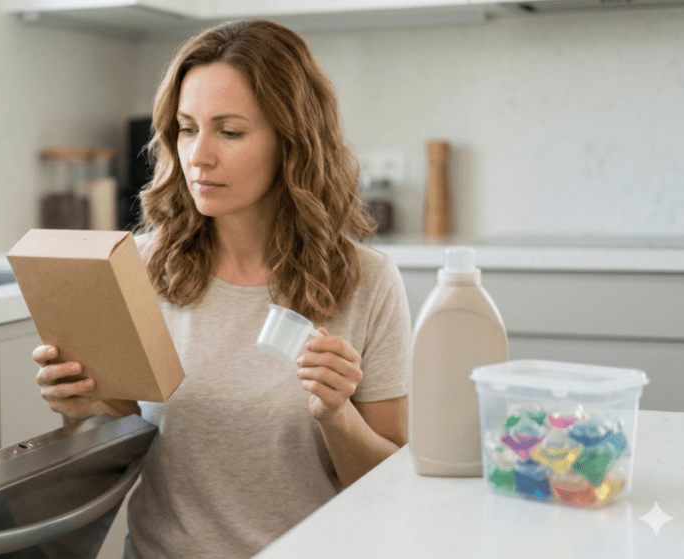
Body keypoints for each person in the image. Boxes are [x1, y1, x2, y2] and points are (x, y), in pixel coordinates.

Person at [32, 19, 411, 559]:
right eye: (187, 129)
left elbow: (392, 487)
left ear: (293, 142)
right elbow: (120, 439)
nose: (198, 157)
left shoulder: (368, 283)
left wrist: (338, 416)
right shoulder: (140, 268)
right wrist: (83, 404)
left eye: (229, 132)